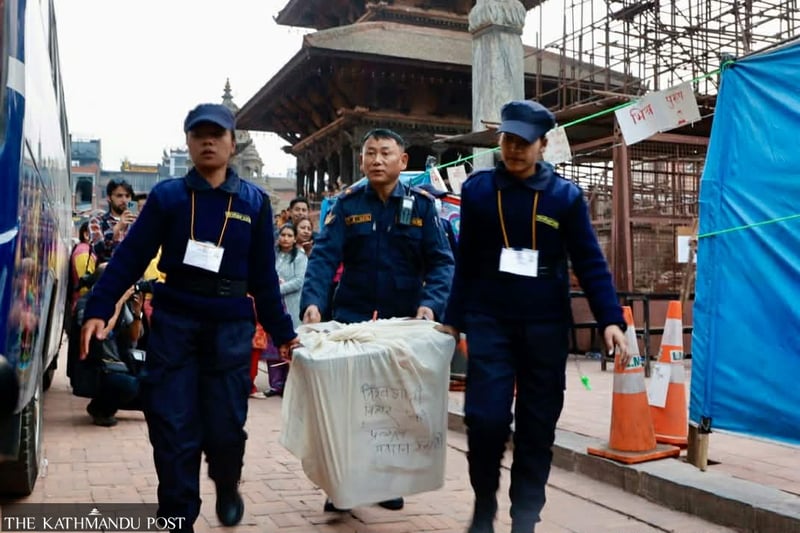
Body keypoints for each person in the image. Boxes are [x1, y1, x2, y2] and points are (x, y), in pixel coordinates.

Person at [80, 103, 299, 533]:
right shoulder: (168, 198)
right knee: (170, 422)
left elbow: (264, 279)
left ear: (233, 143)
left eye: (217, 134)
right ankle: (177, 514)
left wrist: (284, 333)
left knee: (224, 425)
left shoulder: (253, 202)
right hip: (176, 322)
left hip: (230, 328)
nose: (208, 141)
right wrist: (99, 308)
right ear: (188, 142)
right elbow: (130, 257)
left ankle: (226, 481)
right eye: (199, 134)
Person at [438, 100, 630, 533]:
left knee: (537, 427)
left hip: (545, 324)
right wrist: (454, 318)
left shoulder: (564, 197)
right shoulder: (479, 191)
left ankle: (525, 518)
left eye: (524, 142)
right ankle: (484, 503)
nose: (514, 148)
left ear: (543, 145)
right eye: (508, 139)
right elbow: (465, 260)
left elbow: (590, 261)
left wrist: (610, 318)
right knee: (484, 418)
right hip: (490, 319)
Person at [300, 128, 455, 512]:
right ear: (362, 160)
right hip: (352, 320)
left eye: (386, 153)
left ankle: (386, 482)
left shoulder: (422, 207)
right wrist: (314, 303)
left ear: (403, 161)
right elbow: (323, 258)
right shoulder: (347, 204)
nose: (377, 160)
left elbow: (441, 262)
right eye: (370, 153)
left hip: (401, 323)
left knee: (393, 405)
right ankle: (342, 486)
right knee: (349, 405)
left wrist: (431, 305)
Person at [88, 178, 136, 263]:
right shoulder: (97, 220)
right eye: (119, 196)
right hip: (108, 272)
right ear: (109, 198)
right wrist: (117, 228)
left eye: (127, 196)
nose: (124, 200)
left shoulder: (136, 222)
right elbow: (99, 250)